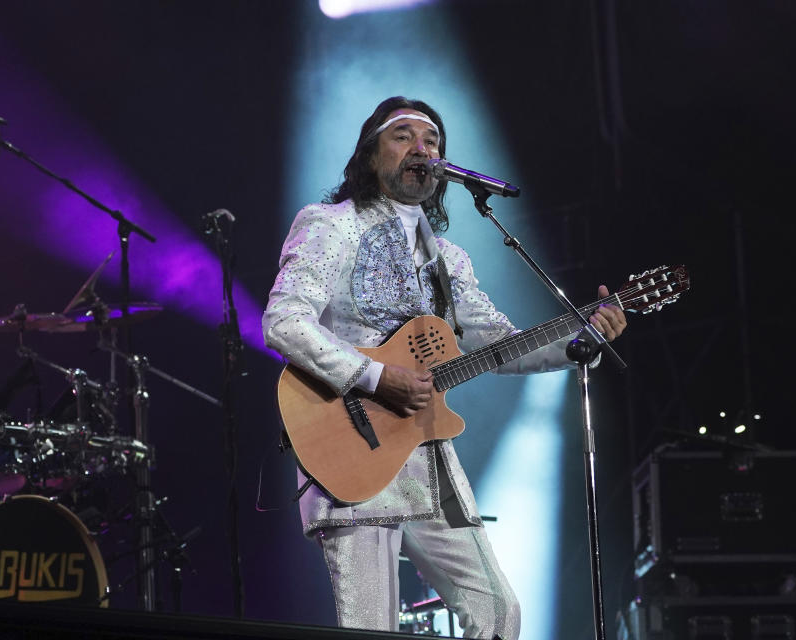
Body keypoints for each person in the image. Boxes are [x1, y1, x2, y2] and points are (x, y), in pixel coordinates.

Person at [263, 96, 627, 639]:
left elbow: (500, 344)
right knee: (371, 630)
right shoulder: (328, 225)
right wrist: (375, 376)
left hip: (430, 452)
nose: (423, 149)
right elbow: (284, 321)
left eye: (432, 140)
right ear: (369, 156)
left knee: (498, 612)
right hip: (352, 445)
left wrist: (581, 341)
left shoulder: (449, 260)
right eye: (403, 136)